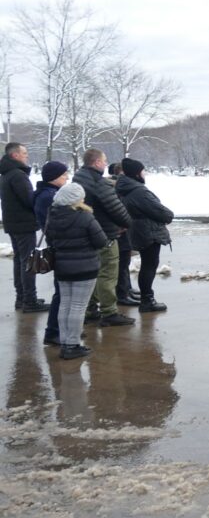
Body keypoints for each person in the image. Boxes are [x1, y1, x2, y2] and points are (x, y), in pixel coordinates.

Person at [45, 183, 109, 360]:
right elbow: (101, 241)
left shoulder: (53, 216)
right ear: (76, 200)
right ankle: (72, 345)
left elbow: (50, 241)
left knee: (65, 304)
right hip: (85, 268)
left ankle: (65, 341)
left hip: (62, 267)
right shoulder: (85, 217)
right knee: (78, 307)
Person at [73, 149, 135, 327]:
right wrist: (127, 223)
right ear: (97, 162)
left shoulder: (79, 177)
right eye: (104, 160)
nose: (106, 164)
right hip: (105, 233)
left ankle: (90, 308)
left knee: (93, 272)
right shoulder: (98, 183)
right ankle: (109, 312)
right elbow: (116, 209)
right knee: (107, 274)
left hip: (89, 232)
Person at [115, 158, 174, 313]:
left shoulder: (126, 188)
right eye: (142, 171)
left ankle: (146, 297)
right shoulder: (139, 191)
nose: (144, 173)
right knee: (149, 265)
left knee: (148, 265)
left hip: (139, 230)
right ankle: (147, 300)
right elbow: (159, 211)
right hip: (148, 232)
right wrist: (169, 215)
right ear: (136, 174)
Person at [1, 142, 48, 312]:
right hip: (23, 224)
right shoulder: (17, 175)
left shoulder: (7, 174)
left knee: (19, 260)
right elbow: (29, 200)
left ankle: (22, 297)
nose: (27, 156)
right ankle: (29, 300)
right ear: (15, 155)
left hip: (13, 223)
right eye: (24, 153)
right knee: (28, 261)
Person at [34, 161, 68, 345]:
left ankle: (60, 330)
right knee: (61, 292)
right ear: (54, 177)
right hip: (60, 246)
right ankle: (53, 331)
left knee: (62, 291)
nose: (67, 178)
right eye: (63, 175)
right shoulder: (49, 197)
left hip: (58, 244)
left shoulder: (48, 194)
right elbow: (57, 223)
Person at [108, 162, 139, 307]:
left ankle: (126, 289)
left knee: (125, 263)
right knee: (121, 264)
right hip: (119, 231)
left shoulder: (117, 186)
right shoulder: (114, 187)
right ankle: (123, 293)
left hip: (123, 229)